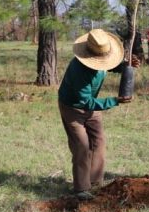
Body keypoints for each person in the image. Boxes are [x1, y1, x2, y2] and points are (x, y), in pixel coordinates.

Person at [58, 29, 138, 200]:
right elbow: (86, 102)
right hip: (73, 107)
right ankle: (81, 189)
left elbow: (109, 66)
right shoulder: (79, 70)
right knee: (82, 146)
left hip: (91, 105)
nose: (103, 64)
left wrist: (125, 66)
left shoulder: (100, 61)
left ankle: (95, 182)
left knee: (99, 141)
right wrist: (115, 101)